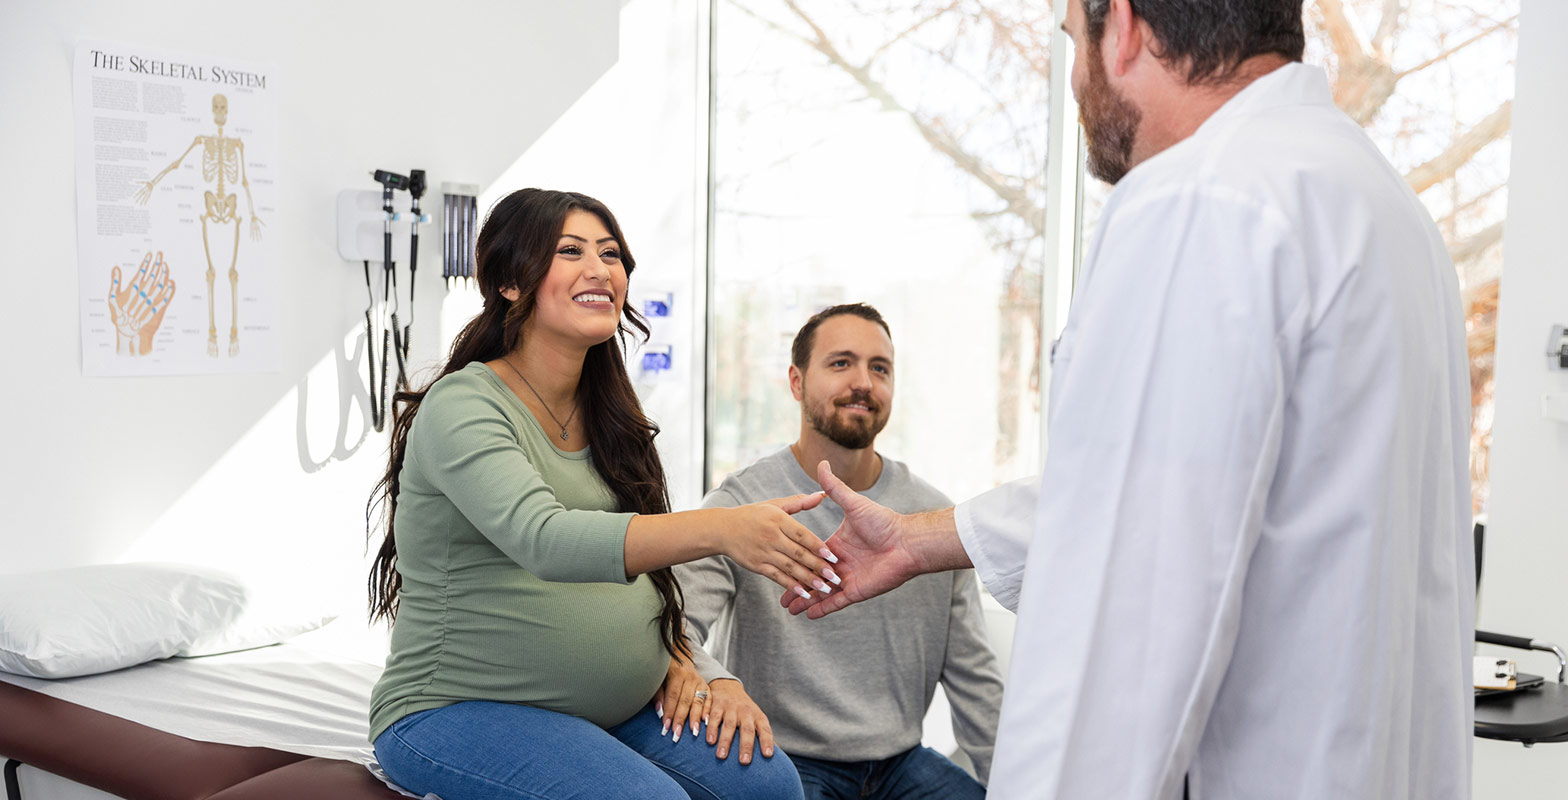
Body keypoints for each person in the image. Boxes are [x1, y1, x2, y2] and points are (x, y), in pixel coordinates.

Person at [785, 2, 1474, 798]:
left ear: (1127, 25)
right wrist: (918, 540)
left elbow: (1123, 619)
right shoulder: (1377, 203)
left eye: (1074, 43)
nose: (1076, 78)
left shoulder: (1200, 199)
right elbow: (1187, 485)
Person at [366, 188, 837, 800]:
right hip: (455, 707)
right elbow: (546, 539)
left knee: (770, 787)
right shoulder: (464, 404)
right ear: (511, 281)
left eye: (610, 253)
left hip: (613, 706)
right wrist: (722, 527)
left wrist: (685, 661)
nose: (599, 268)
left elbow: (640, 573)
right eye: (569, 251)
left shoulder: (607, 410)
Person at [676, 303, 1005, 800]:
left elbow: (975, 681)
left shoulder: (932, 519)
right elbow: (674, 626)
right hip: (783, 758)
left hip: (902, 765)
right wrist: (721, 684)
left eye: (880, 368)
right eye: (840, 363)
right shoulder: (744, 502)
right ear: (796, 381)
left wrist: (1021, 784)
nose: (863, 382)